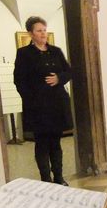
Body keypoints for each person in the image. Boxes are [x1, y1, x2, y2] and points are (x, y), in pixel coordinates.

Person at [13, 16, 73, 185]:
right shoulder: (24, 54)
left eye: (44, 30)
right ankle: (46, 180)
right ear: (30, 33)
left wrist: (59, 78)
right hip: (37, 108)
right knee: (42, 144)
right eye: (39, 30)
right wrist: (32, 100)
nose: (43, 33)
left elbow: (68, 72)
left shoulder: (55, 51)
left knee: (55, 142)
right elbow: (19, 81)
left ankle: (59, 177)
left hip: (56, 105)